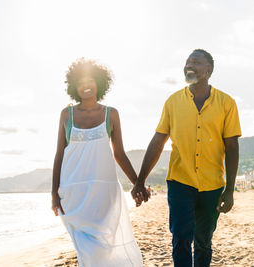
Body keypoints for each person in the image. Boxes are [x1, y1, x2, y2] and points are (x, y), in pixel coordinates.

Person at [132, 49, 241, 267]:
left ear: (208, 70)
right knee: (180, 240)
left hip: (212, 185)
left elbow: (232, 146)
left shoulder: (226, 103)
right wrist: (140, 180)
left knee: (203, 242)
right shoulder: (173, 102)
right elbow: (158, 141)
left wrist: (229, 189)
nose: (189, 65)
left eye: (196, 62)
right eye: (187, 62)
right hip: (180, 182)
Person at [51, 58, 143, 267]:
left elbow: (119, 153)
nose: (86, 86)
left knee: (105, 245)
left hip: (104, 192)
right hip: (73, 192)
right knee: (86, 250)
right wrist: (53, 192)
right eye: (81, 83)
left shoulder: (112, 114)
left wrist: (137, 183)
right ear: (74, 86)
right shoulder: (67, 114)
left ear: (99, 83)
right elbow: (59, 154)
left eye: (90, 81)